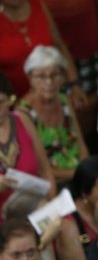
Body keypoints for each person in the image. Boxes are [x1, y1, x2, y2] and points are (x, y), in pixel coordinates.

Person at [0, 0, 82, 99]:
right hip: (17, 105)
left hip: (54, 95)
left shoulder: (37, 2)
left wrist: (74, 83)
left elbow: (59, 44)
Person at [20, 46, 88, 184]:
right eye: (41, 76)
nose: (49, 82)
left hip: (79, 174)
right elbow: (38, 167)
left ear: (63, 77)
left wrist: (87, 171)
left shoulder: (64, 101)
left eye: (54, 75)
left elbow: (80, 144)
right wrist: (76, 174)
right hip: (52, 181)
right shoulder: (23, 113)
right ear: (30, 78)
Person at [0, 74, 57, 211]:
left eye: (0, 102)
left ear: (9, 100)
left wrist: (52, 204)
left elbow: (45, 170)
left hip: (38, 205)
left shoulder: (22, 119)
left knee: (69, 226)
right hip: (5, 220)